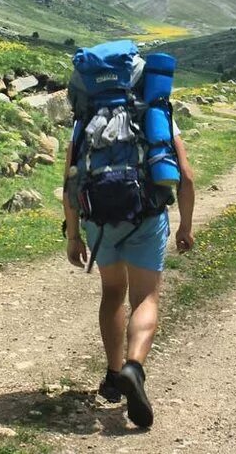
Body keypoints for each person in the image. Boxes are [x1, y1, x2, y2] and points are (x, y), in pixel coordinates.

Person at [61, 43, 196, 429]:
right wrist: (185, 225)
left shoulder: (83, 118)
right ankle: (134, 366)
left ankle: (112, 372)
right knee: (146, 297)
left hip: (99, 217)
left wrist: (74, 235)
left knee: (112, 293)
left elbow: (70, 180)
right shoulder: (154, 113)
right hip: (146, 214)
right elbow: (184, 176)